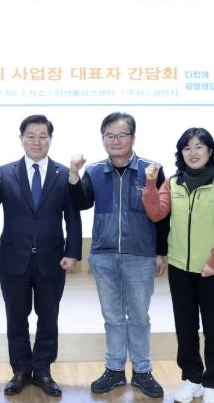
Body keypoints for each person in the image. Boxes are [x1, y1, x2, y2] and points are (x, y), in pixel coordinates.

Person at [0, 114, 82, 397]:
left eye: (42, 136)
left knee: (48, 318)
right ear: (21, 139)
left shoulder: (63, 174)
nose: (37, 141)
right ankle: (21, 370)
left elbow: (72, 217)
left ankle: (43, 370)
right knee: (16, 317)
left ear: (50, 139)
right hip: (14, 259)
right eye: (31, 136)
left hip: (52, 259)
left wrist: (73, 252)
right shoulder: (6, 172)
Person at [68, 111, 167, 398]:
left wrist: (161, 252)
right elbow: (82, 203)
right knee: (112, 317)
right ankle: (114, 369)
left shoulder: (152, 170)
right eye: (109, 135)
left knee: (139, 317)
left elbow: (162, 215)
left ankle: (142, 371)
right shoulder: (95, 171)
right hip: (104, 255)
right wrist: (74, 175)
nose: (115, 140)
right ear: (103, 139)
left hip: (141, 255)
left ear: (133, 138)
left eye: (122, 135)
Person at [142, 127, 214, 403]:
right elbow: (156, 212)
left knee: (213, 329)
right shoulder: (172, 182)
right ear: (181, 153)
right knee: (185, 327)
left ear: (210, 151)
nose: (193, 152)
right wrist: (150, 184)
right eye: (187, 147)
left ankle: (212, 383)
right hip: (179, 269)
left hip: (213, 271)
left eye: (199, 146)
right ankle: (191, 378)